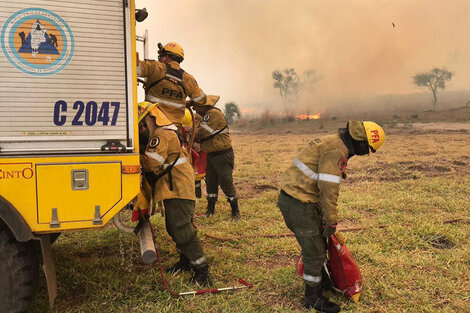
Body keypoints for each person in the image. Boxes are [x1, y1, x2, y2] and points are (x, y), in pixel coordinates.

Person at [277, 121, 385, 313]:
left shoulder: (333, 142)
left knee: (318, 246)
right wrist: (331, 220)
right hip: (299, 204)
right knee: (315, 253)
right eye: (367, 149)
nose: (365, 154)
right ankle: (312, 297)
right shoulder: (337, 151)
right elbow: (329, 189)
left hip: (300, 200)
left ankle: (324, 282)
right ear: (360, 141)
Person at [136, 102, 212, 286]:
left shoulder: (162, 135)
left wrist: (133, 159)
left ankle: (202, 271)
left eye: (143, 125)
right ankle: (185, 261)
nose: (142, 129)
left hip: (177, 187)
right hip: (174, 186)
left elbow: (152, 163)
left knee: (182, 228)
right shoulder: (166, 133)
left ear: (151, 119)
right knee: (173, 226)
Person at [189, 95, 240, 220]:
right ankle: (210, 211)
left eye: (197, 108)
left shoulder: (213, 114)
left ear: (203, 106)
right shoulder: (206, 115)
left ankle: (235, 212)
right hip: (212, 155)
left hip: (222, 154)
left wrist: (190, 131)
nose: (196, 111)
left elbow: (202, 132)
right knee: (211, 183)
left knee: (226, 182)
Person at [137, 42, 206, 126]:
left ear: (166, 57)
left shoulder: (155, 67)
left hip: (153, 124)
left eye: (161, 56)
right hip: (175, 128)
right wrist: (189, 103)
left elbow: (133, 67)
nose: (160, 59)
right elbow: (201, 100)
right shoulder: (189, 79)